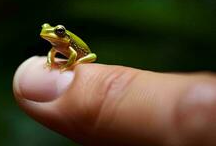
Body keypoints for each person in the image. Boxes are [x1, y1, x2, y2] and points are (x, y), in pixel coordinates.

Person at [13, 56, 216, 146]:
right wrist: (51, 61)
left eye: (54, 32)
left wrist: (70, 66)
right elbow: (53, 52)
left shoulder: (66, 42)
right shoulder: (55, 45)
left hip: (83, 56)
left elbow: (77, 54)